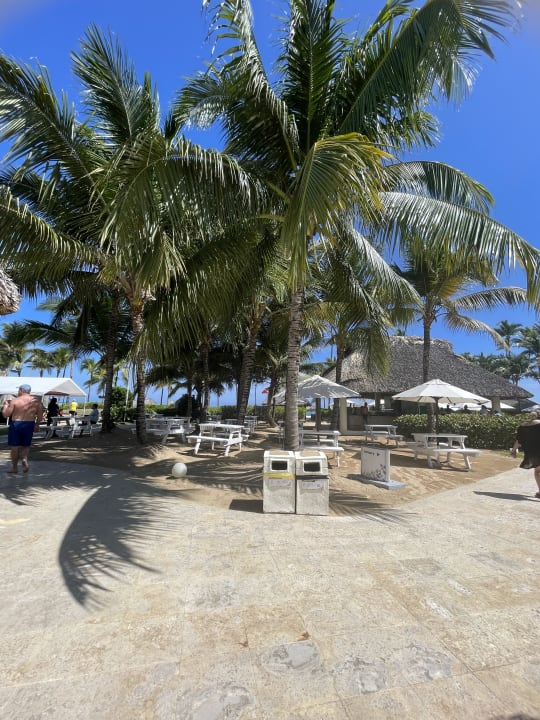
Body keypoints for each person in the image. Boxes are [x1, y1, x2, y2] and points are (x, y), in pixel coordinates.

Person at [2, 384, 44, 474]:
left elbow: (6, 415)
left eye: (18, 390)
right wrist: (37, 425)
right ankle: (24, 459)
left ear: (21, 390)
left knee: (14, 446)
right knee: (26, 445)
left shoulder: (15, 401)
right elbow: (40, 416)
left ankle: (14, 468)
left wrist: (5, 405)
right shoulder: (37, 402)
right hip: (29, 424)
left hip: (16, 423)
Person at [511, 411, 540, 499]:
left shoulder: (522, 426)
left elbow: (518, 441)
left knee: (538, 471)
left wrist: (513, 450)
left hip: (532, 453)